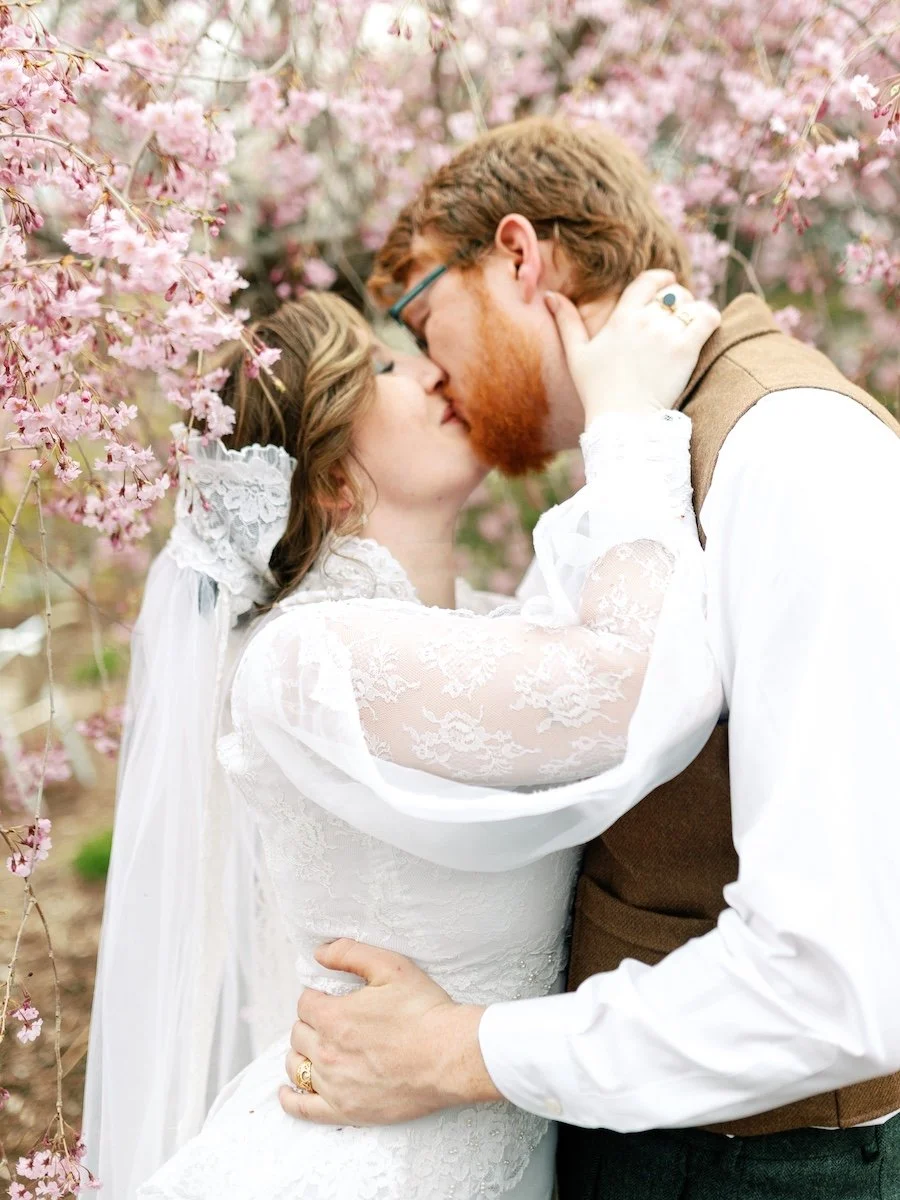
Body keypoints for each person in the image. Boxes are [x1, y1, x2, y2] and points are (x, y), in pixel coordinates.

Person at [276, 117, 900, 1199]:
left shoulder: (796, 457)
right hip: (633, 1142)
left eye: (426, 321)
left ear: (518, 258)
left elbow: (835, 980)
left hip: (758, 1169)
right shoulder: (648, 459)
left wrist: (452, 1052)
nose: (434, 374)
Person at [83, 277, 721, 1200]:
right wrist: (625, 426)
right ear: (334, 478)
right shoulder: (303, 661)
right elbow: (625, 684)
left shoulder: (493, 626)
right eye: (381, 365)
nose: (431, 373)